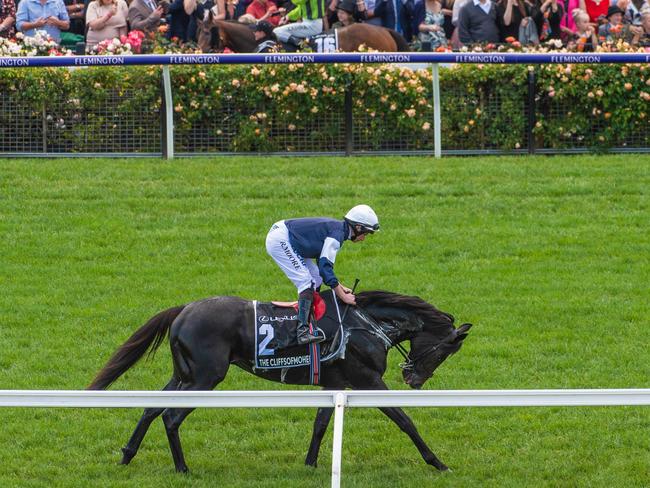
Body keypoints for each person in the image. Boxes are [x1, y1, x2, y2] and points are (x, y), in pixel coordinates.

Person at [265, 205, 380, 345]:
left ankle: (311, 321)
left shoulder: (339, 231)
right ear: (358, 227)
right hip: (280, 239)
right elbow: (325, 266)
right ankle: (302, 331)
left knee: (316, 278)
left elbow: (322, 267)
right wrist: (342, 295)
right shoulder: (337, 235)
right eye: (366, 233)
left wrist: (339, 286)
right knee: (306, 282)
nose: (364, 238)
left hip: (286, 235)